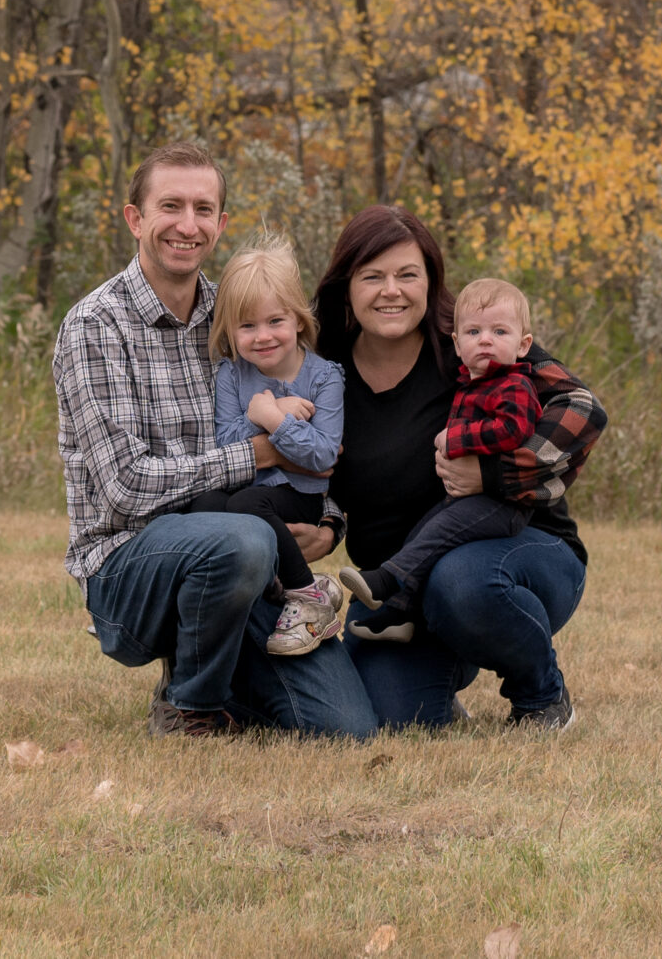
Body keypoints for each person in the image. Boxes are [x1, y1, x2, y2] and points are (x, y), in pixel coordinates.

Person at [54, 143, 374, 739]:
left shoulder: (244, 316)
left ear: (221, 224)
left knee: (344, 728)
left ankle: (228, 668)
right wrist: (257, 453)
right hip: (131, 562)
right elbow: (124, 490)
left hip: (248, 547)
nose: (187, 224)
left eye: (204, 209)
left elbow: (317, 436)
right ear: (135, 219)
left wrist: (328, 523)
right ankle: (189, 703)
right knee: (243, 538)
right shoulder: (96, 326)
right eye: (170, 206)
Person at [316, 208, 607, 731]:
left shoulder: (473, 341)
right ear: (345, 285)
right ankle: (444, 668)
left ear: (431, 281)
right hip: (396, 585)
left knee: (464, 584)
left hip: (515, 558)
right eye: (372, 276)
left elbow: (583, 409)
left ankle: (542, 696)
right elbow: (315, 469)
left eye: (408, 274)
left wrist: (494, 475)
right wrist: (326, 521)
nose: (392, 291)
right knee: (388, 718)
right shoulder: (323, 368)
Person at [167, 237, 349, 655]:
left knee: (247, 506)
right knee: (206, 504)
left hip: (297, 498)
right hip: (246, 489)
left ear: (299, 320)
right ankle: (225, 605)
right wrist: (260, 411)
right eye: (247, 326)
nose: (262, 337)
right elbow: (224, 441)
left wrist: (274, 419)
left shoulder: (324, 378)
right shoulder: (232, 375)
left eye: (275, 322)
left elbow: (323, 455)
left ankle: (309, 598)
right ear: (230, 330)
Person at [338, 276, 541, 641]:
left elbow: (514, 429)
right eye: (474, 331)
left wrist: (458, 439)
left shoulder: (515, 384)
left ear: (524, 344)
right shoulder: (471, 382)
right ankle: (400, 614)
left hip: (502, 502)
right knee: (423, 532)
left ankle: (386, 579)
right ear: (457, 344)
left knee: (438, 533)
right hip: (467, 500)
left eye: (499, 331)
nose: (485, 340)